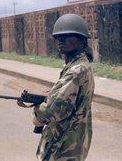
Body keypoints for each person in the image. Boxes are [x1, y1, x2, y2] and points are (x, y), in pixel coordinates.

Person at [32, 13, 95, 160]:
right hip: (73, 140)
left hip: (63, 145)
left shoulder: (76, 71)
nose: (61, 40)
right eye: (58, 37)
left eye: (67, 36)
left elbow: (51, 110)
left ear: (82, 40)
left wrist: (37, 112)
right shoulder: (80, 65)